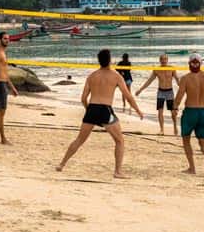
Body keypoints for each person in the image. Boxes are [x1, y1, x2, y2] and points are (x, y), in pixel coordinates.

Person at [56, 49, 143, 178]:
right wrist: (138, 110)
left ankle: (62, 164)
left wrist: (88, 110)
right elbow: (128, 96)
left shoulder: (92, 76)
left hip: (92, 108)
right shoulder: (116, 76)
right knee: (119, 141)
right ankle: (117, 172)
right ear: (110, 60)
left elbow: (83, 98)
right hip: (104, 109)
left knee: (79, 140)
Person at [174, 53, 204, 174]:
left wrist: (174, 108)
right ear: (200, 63)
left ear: (189, 64)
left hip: (190, 111)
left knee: (186, 139)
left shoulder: (185, 78)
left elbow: (179, 97)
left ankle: (192, 168)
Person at [135, 53, 181, 135]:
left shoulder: (172, 69)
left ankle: (175, 126)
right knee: (160, 111)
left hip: (169, 92)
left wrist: (184, 89)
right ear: (160, 60)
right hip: (161, 92)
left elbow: (177, 80)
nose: (164, 61)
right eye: (162, 59)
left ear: (167, 60)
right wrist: (140, 89)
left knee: (173, 112)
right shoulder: (156, 69)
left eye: (165, 59)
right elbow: (149, 81)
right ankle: (162, 130)